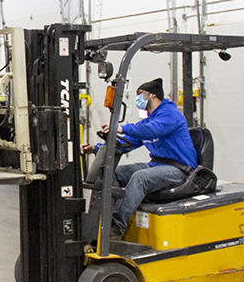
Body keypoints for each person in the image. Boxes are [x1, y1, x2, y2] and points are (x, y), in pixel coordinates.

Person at [82, 78, 196, 238]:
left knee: (140, 178)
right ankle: (104, 219)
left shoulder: (170, 114)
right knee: (114, 172)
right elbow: (129, 142)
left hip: (179, 169)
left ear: (153, 95)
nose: (138, 99)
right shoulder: (150, 120)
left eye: (141, 94)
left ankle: (115, 227)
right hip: (157, 165)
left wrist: (120, 127)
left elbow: (150, 130)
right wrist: (94, 148)